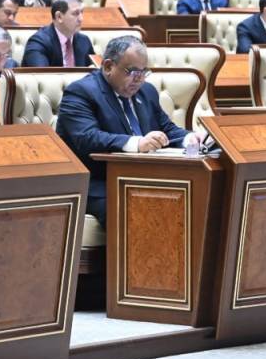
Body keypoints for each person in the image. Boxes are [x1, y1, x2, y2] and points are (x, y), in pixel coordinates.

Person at [56, 36, 203, 224]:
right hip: (97, 182)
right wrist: (137, 143)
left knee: (193, 196)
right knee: (138, 208)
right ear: (108, 66)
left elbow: (166, 129)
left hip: (141, 178)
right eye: (132, 71)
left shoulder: (147, 91)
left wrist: (190, 138)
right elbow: (87, 137)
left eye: (143, 72)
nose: (139, 79)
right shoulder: (81, 92)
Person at [22, 0, 94, 67]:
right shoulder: (38, 42)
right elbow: (41, 73)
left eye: (81, 12)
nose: (81, 19)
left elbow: (95, 71)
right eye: (75, 13)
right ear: (59, 17)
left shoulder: (84, 41)